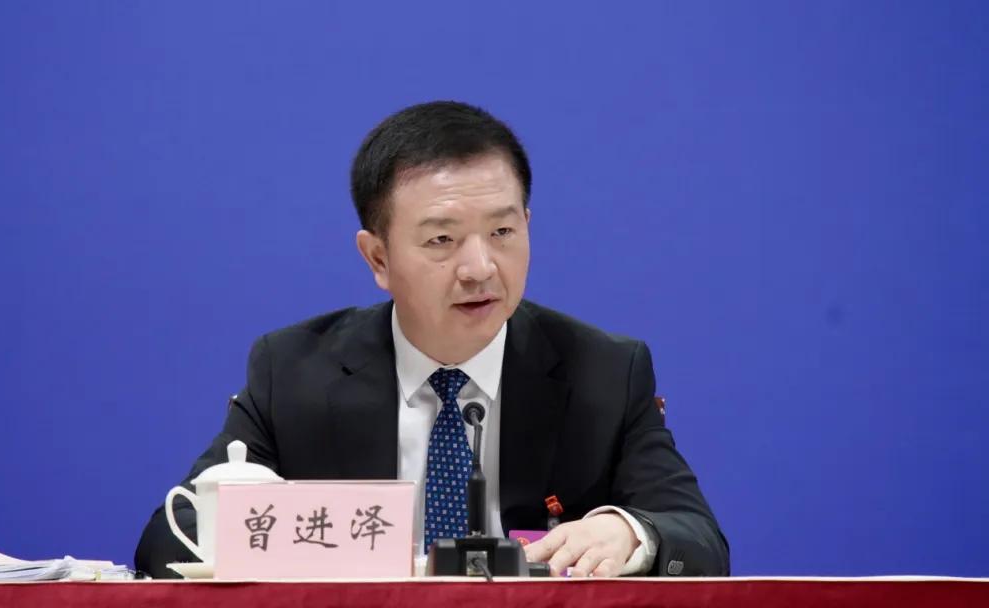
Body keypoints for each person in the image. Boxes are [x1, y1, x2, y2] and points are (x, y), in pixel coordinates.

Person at [135, 101, 729, 578]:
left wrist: (633, 532)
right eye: (441, 240)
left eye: (503, 231)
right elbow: (168, 543)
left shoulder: (604, 372)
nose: (480, 268)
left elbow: (698, 540)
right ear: (378, 258)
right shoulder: (293, 371)